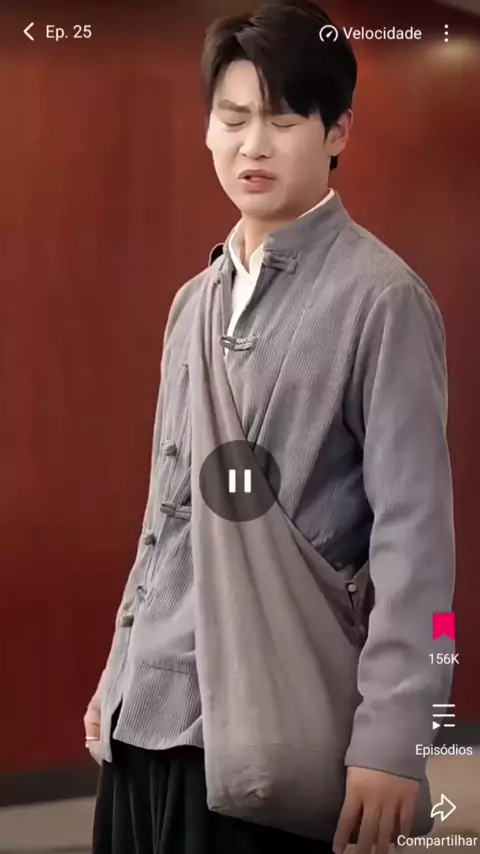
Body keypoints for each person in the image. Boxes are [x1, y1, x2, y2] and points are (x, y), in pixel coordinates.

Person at [84, 1, 455, 853]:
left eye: (284, 121)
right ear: (207, 129)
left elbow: (417, 549)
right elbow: (163, 520)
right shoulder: (192, 304)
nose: (253, 144)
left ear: (337, 132)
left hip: (271, 733)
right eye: (233, 117)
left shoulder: (383, 301)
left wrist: (398, 743)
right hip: (144, 729)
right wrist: (118, 671)